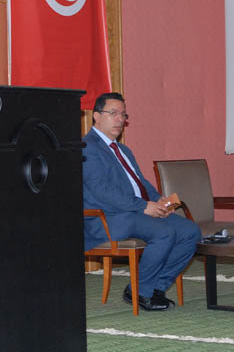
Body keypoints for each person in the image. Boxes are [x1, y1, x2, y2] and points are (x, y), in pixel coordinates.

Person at [82, 92, 201, 311]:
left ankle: (155, 287)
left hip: (133, 212)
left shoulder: (123, 150)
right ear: (96, 116)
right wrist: (145, 206)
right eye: (113, 113)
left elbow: (140, 182)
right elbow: (102, 192)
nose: (120, 119)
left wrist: (158, 201)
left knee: (190, 231)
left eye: (123, 115)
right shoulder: (87, 147)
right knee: (164, 233)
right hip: (107, 218)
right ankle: (141, 292)